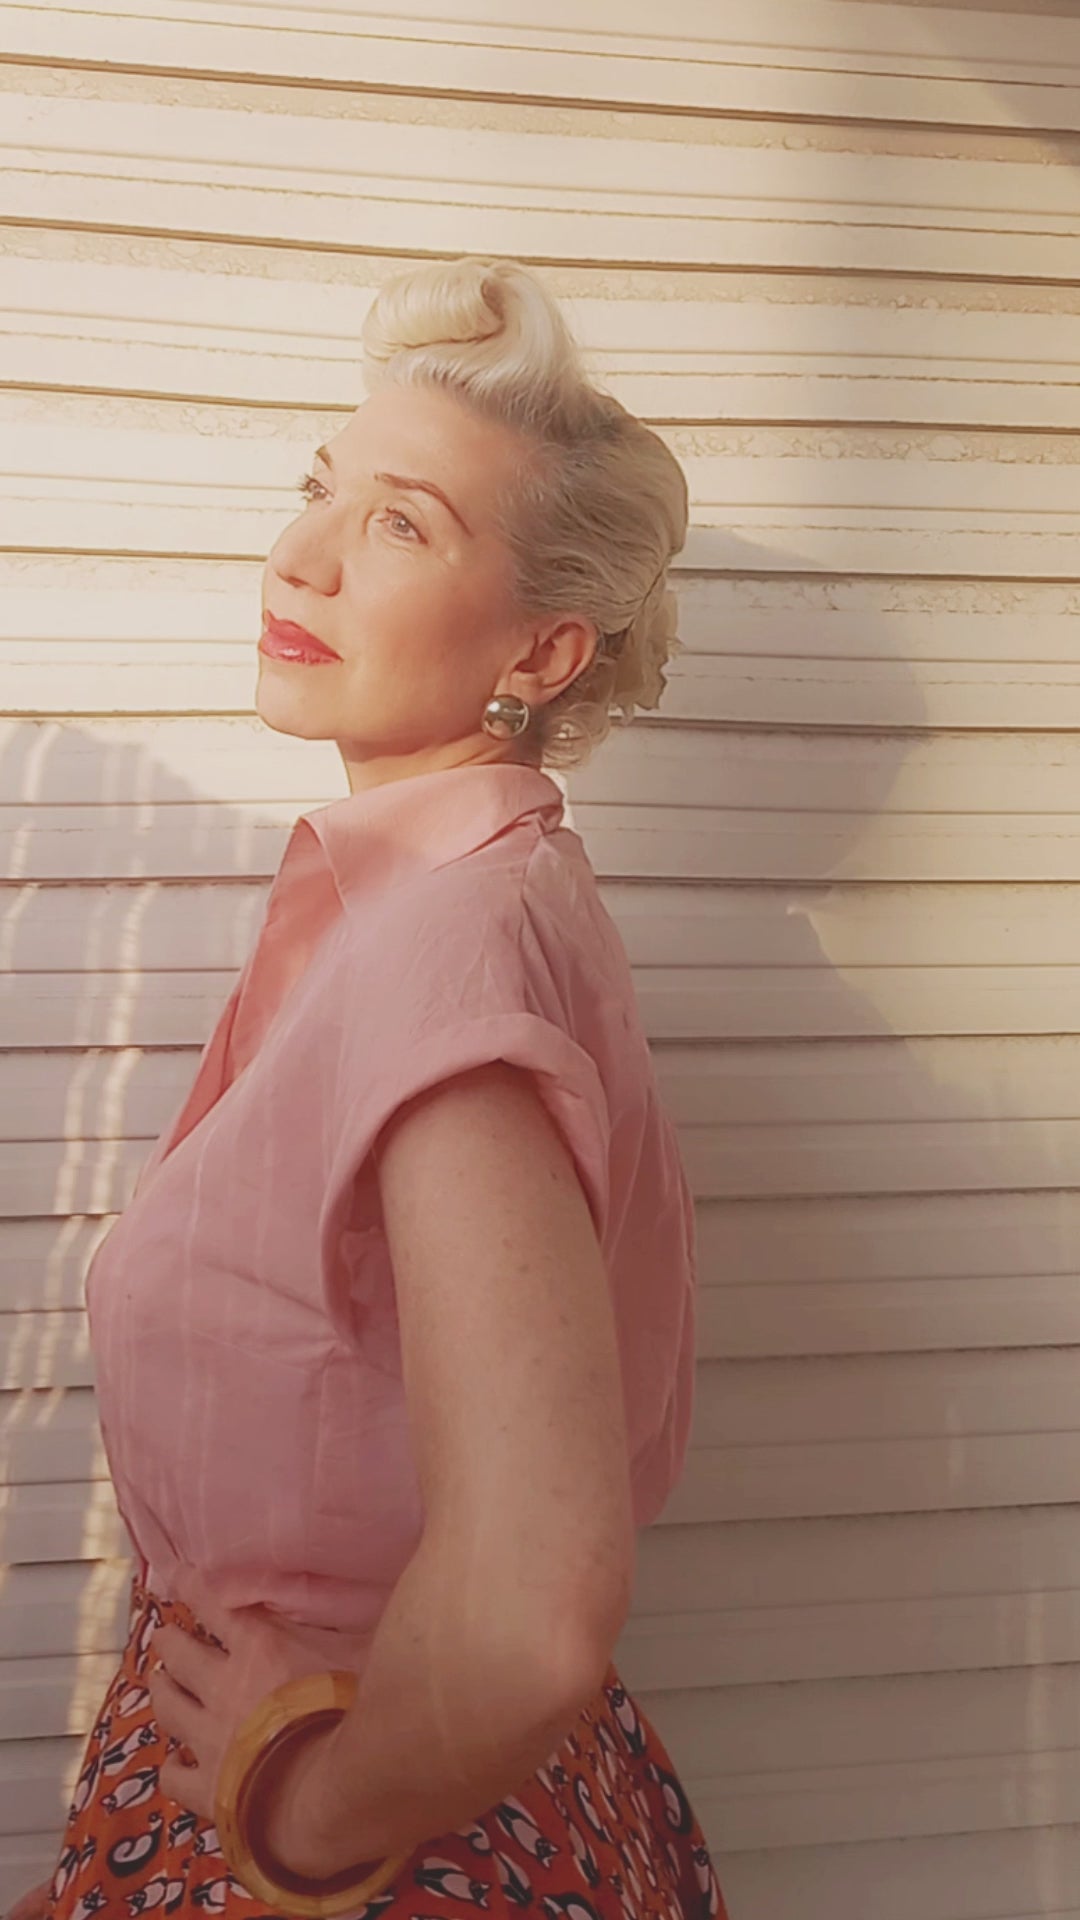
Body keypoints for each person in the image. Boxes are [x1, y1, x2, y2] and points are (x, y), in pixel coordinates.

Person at [11, 255, 728, 1920]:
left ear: (543, 648)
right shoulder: (458, 902)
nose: (300, 555)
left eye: (401, 525)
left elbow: (539, 1609)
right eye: (317, 492)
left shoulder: (449, 950)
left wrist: (310, 1818)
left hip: (365, 1828)